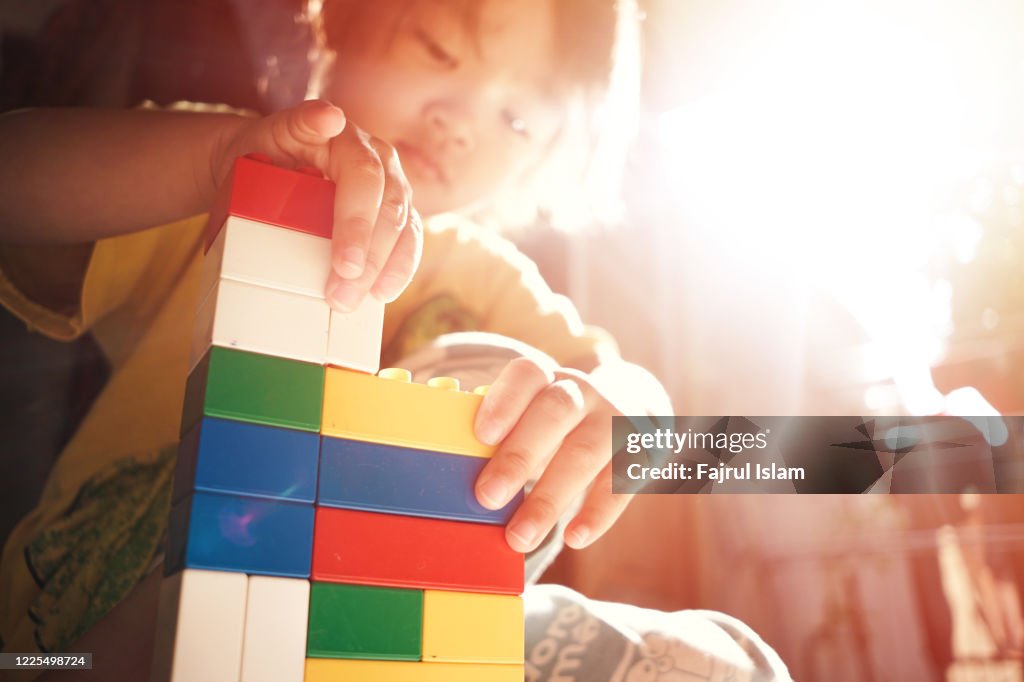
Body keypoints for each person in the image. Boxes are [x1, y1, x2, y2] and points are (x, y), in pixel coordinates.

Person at [0, 1, 789, 679]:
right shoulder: (240, 175)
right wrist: (215, 161)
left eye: (518, 119)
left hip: (379, 626)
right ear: (348, 19)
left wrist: (624, 407)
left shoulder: (486, 279)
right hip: (89, 627)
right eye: (439, 51)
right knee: (486, 376)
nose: (462, 121)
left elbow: (627, 388)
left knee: (716, 659)